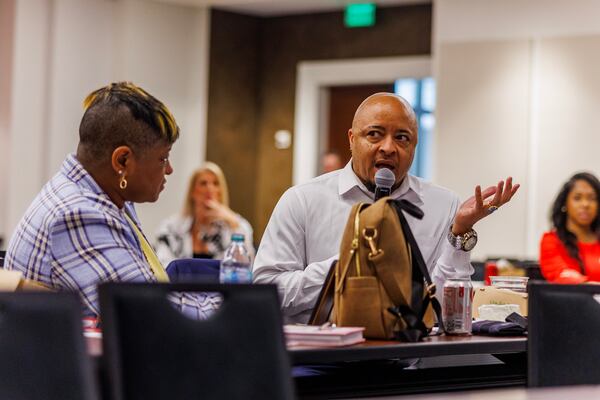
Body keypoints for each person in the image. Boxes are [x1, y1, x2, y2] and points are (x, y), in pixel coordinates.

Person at [253, 92, 519, 323]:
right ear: (351, 139)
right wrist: (344, 266)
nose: (388, 148)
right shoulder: (302, 200)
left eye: (402, 138)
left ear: (414, 146)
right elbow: (266, 292)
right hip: (321, 362)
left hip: (408, 360)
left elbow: (443, 309)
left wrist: (460, 231)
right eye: (374, 134)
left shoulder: (443, 204)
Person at [4, 82, 220, 318]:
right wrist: (242, 307)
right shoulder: (78, 214)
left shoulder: (101, 195)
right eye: (163, 158)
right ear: (123, 161)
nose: (169, 169)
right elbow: (156, 318)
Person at [154, 162, 254, 266]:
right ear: (192, 191)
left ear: (221, 191)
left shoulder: (236, 225)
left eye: (215, 183)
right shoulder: (170, 228)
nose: (210, 189)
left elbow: (247, 267)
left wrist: (233, 222)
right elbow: (162, 267)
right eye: (203, 183)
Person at [540, 172, 600, 283]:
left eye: (592, 198)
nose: (585, 204)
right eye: (577, 198)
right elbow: (561, 275)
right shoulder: (551, 241)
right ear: (565, 204)